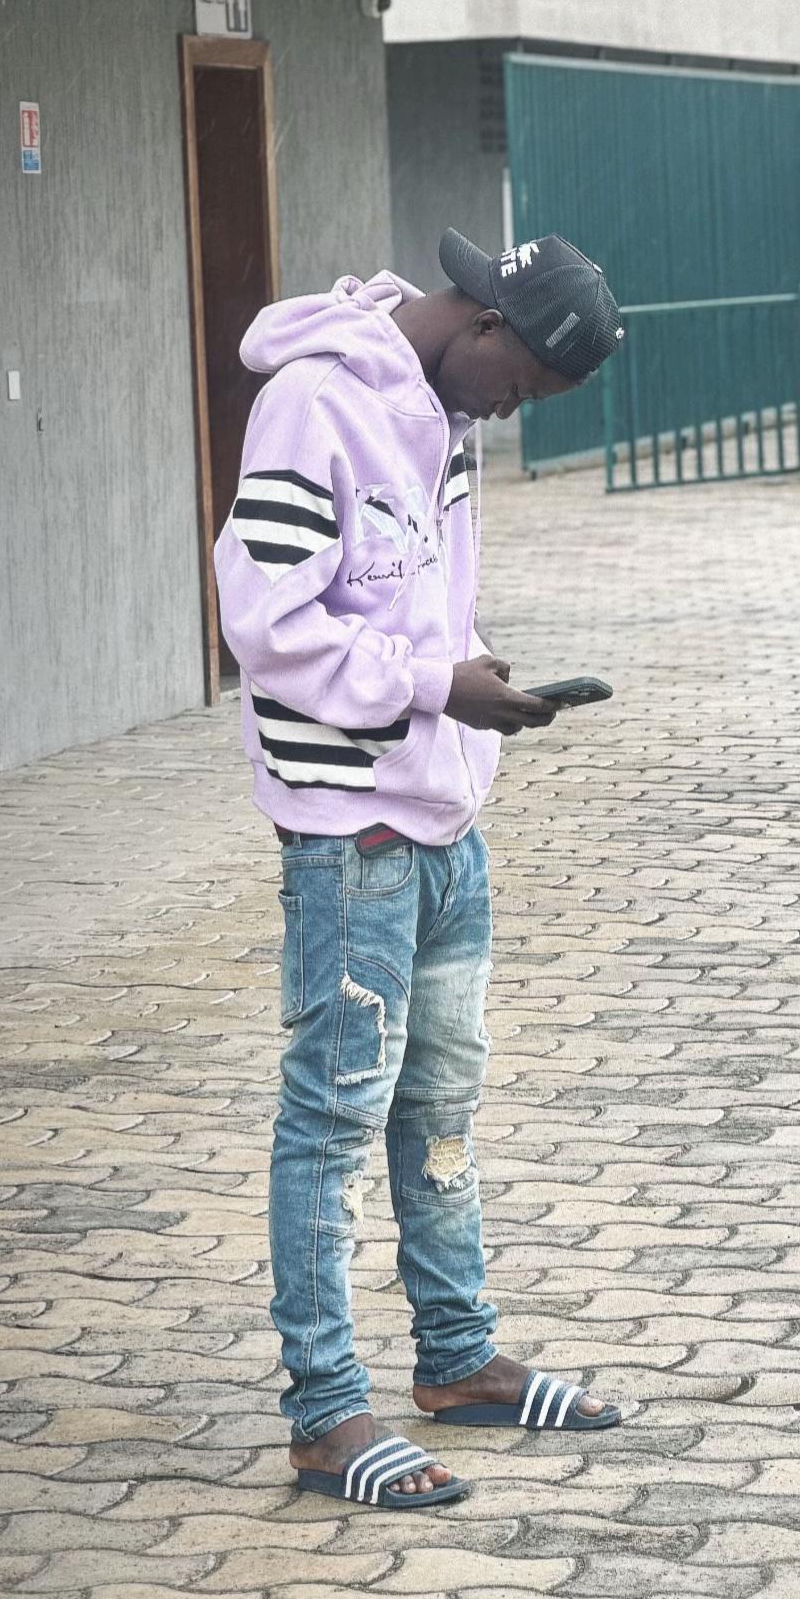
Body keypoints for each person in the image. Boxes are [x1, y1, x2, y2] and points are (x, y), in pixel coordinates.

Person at [214, 231, 625, 1510]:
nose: (511, 410)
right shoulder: (313, 404)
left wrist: (478, 679)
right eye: (523, 386)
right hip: (351, 836)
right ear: (488, 323)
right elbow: (267, 628)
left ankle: (455, 1358)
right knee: (331, 1124)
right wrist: (441, 688)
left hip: (447, 823)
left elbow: (422, 608)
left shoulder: (446, 409)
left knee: (441, 1107)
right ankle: (326, 1415)